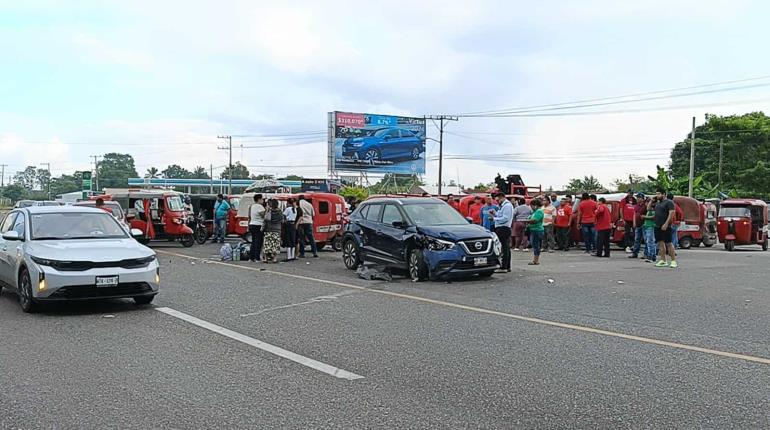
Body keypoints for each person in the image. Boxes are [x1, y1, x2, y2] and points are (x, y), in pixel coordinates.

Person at [491, 193, 514, 273]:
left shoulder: (507, 206)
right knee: (505, 248)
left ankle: (504, 266)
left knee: (504, 248)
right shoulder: (503, 206)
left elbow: (505, 218)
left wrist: (494, 219)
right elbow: (501, 215)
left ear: (502, 198)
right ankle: (506, 266)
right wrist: (495, 214)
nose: (497, 202)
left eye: (498, 200)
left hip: (503, 228)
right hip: (502, 227)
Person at [654, 189, 677, 268]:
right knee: (660, 243)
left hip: (666, 225)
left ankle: (673, 260)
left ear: (664, 194)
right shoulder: (657, 203)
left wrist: (666, 224)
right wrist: (651, 201)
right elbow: (648, 208)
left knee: (669, 243)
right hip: (657, 225)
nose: (657, 195)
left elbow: (671, 213)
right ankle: (663, 260)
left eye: (659, 194)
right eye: (656, 194)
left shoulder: (669, 202)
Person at [263, 199, 284, 263]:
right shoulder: (280, 212)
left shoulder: (269, 211)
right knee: (275, 244)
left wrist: (266, 211)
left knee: (267, 244)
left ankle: (266, 258)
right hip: (277, 229)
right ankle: (274, 258)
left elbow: (266, 218)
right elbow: (282, 221)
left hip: (268, 229)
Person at [526, 198, 545, 265]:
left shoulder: (539, 211)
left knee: (536, 245)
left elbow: (535, 220)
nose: (531, 208)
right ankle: (535, 259)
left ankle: (535, 260)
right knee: (534, 245)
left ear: (535, 205)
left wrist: (527, 221)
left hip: (537, 230)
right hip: (533, 230)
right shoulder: (535, 212)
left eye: (531, 206)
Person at [248, 194, 266, 262]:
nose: (263, 200)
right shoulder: (259, 206)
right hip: (258, 225)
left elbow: (249, 216)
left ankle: (251, 257)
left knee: (253, 241)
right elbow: (263, 215)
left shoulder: (251, 206)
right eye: (262, 199)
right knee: (258, 242)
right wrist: (266, 210)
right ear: (259, 199)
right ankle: (257, 257)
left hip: (252, 224)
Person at [629, 192, 646, 259]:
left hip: (644, 224)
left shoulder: (645, 205)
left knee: (645, 240)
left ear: (642, 198)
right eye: (637, 197)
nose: (638, 199)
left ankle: (646, 254)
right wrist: (634, 222)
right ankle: (635, 253)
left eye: (639, 197)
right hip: (638, 224)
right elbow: (634, 214)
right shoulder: (636, 206)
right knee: (637, 239)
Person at [641, 198, 657, 263]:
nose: (651, 204)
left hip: (651, 226)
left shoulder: (657, 209)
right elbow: (648, 208)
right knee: (648, 241)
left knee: (650, 241)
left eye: (653, 203)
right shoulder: (651, 209)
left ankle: (651, 256)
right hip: (647, 226)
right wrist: (651, 200)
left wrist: (645, 217)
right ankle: (652, 255)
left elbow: (654, 217)